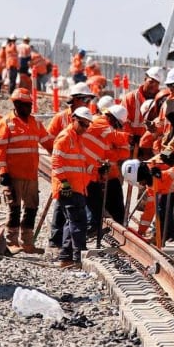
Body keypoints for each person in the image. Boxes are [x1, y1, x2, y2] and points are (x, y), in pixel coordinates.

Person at [0, 87, 51, 253]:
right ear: (17, 104)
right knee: (15, 209)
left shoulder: (35, 123)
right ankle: (12, 242)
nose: (30, 108)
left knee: (31, 208)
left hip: (31, 175)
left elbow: (48, 142)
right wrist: (3, 171)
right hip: (14, 175)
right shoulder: (6, 123)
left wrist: (61, 154)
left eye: (31, 104)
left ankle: (27, 242)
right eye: (26, 105)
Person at [51, 107, 103, 267]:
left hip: (78, 187)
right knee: (78, 222)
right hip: (68, 188)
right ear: (73, 119)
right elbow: (56, 162)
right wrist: (64, 183)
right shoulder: (66, 137)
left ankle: (65, 258)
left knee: (70, 222)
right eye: (82, 124)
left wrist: (98, 170)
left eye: (87, 125)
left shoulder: (78, 139)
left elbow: (82, 166)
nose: (84, 128)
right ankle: (78, 257)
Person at [88, 104, 131, 230]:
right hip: (94, 172)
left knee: (117, 205)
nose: (117, 128)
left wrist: (112, 153)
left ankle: (120, 231)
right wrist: (127, 137)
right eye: (117, 124)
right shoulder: (99, 122)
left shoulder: (111, 129)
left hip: (109, 172)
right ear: (111, 117)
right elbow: (113, 136)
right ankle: (94, 229)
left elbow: (125, 152)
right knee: (95, 205)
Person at [122, 67, 162, 153]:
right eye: (151, 82)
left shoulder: (161, 100)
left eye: (156, 84)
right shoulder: (131, 98)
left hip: (151, 146)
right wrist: (131, 138)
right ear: (145, 79)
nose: (153, 86)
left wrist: (148, 141)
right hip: (131, 144)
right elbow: (123, 121)